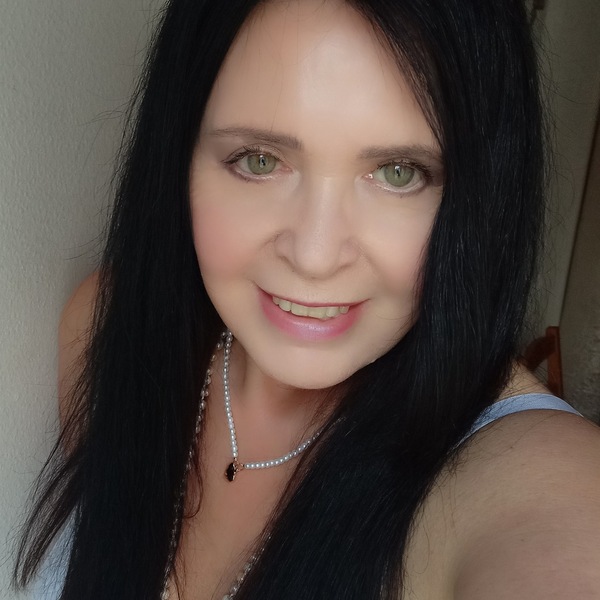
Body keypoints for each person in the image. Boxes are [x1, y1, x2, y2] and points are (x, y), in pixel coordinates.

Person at [13, 0, 600, 598]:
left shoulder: (527, 473)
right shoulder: (106, 329)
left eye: (398, 173)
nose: (315, 256)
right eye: (259, 161)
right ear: (179, 156)